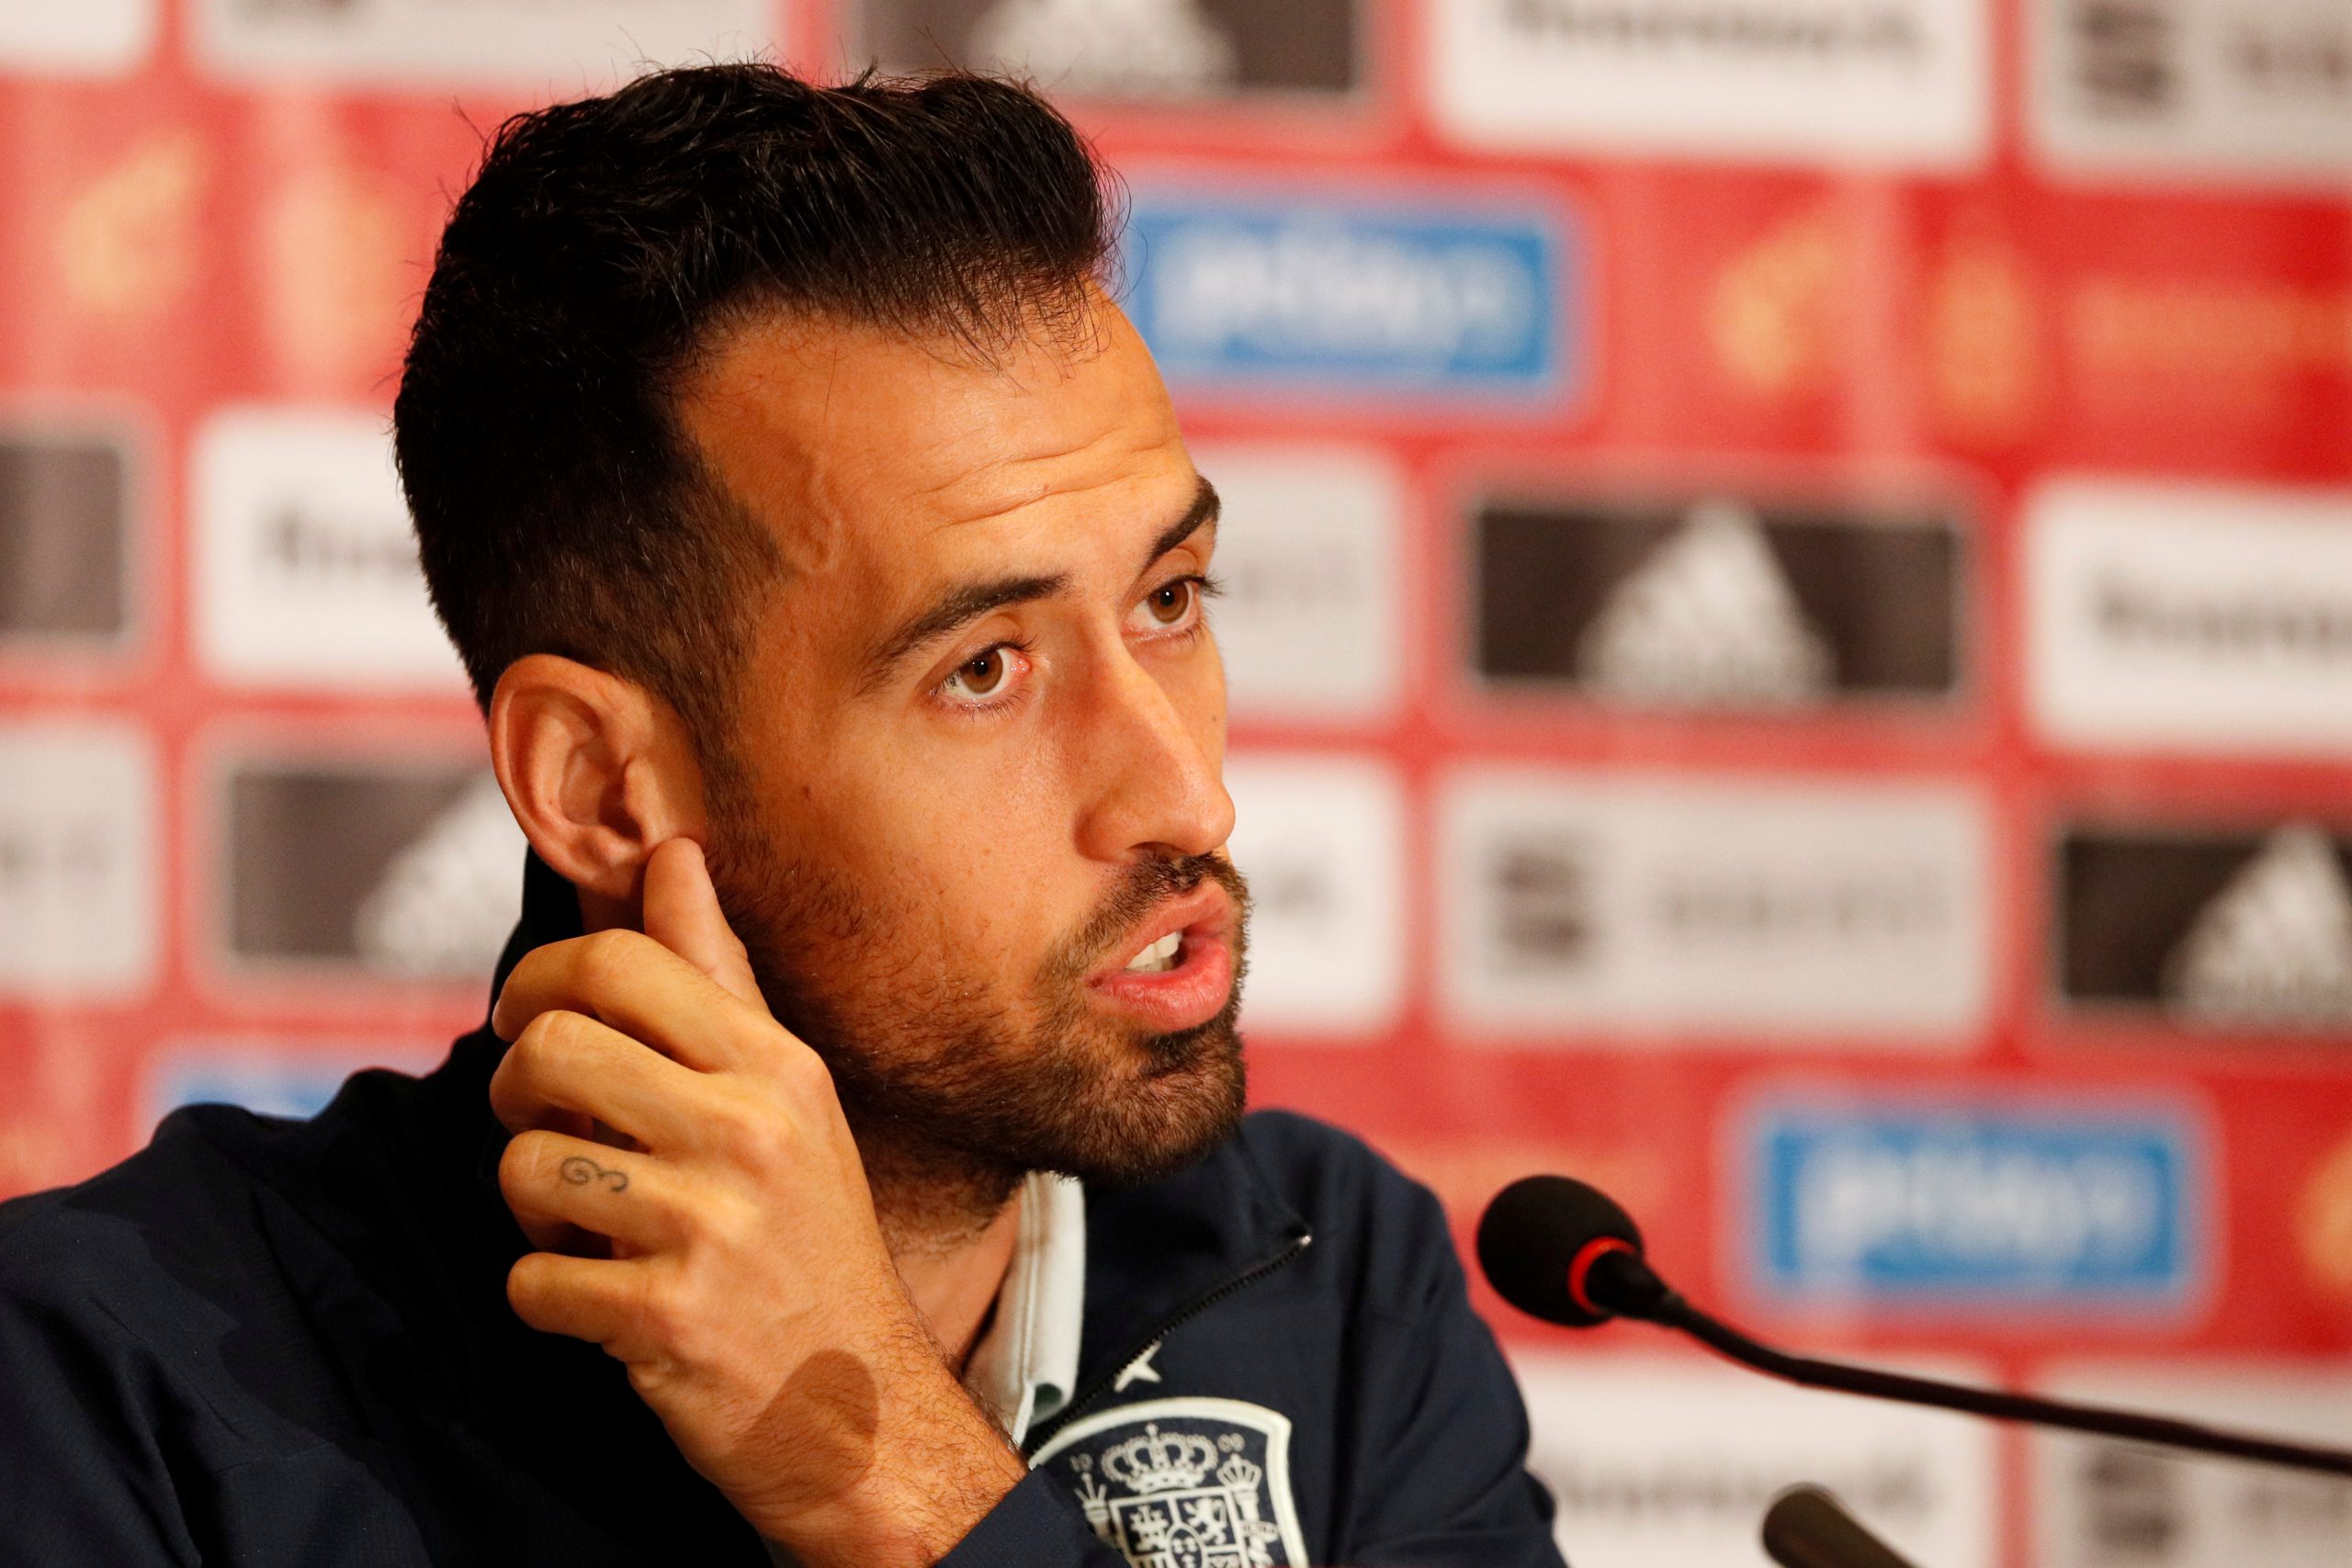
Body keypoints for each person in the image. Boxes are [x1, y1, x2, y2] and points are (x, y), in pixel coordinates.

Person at [0, 63, 1566, 1568]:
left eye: (1169, 599)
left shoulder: (1333, 1287)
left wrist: (890, 1475)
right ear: (600, 787)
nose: (1185, 792)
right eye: (984, 670)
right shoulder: (117, 1396)